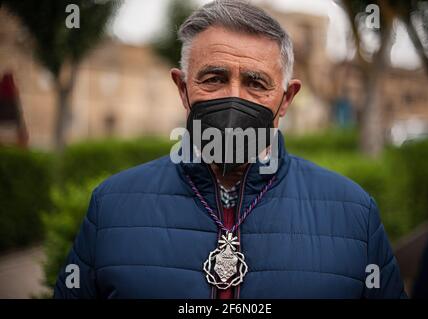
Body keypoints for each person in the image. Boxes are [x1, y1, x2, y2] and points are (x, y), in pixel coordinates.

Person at [54, 0, 406, 299]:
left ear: (286, 100)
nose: (234, 98)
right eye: (214, 79)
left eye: (256, 83)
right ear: (182, 88)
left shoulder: (354, 215)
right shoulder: (112, 206)